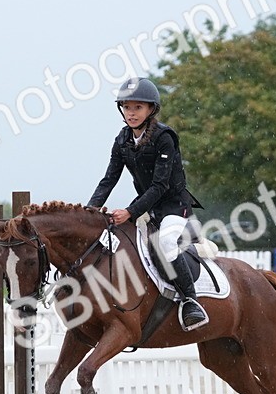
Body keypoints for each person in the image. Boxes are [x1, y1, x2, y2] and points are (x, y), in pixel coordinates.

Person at [87, 77, 208, 331]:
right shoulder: (122, 140)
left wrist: (130, 212)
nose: (131, 113)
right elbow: (109, 178)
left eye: (138, 108)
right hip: (149, 208)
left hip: (175, 206)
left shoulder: (165, 137)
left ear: (151, 109)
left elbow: (160, 186)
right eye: (127, 107)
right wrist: (91, 209)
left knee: (164, 243)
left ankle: (190, 301)